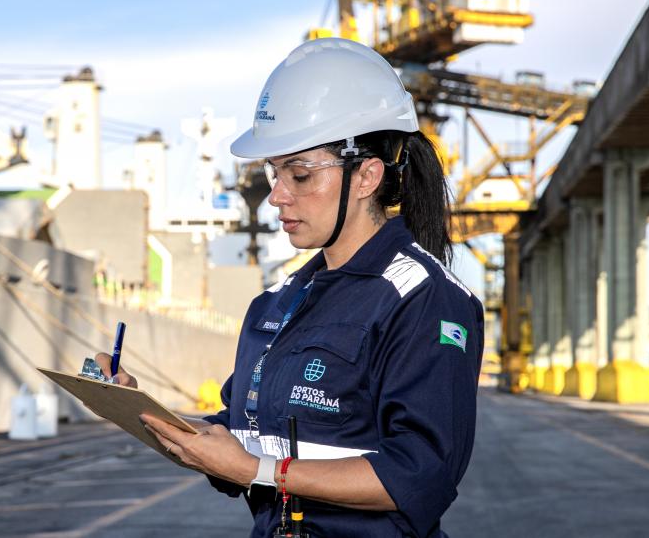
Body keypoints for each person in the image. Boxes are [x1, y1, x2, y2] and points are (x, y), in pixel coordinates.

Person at [98, 37, 484, 538]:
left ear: (366, 176)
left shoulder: (424, 298)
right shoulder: (277, 304)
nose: (277, 195)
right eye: (274, 172)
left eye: (299, 175)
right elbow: (243, 439)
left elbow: (421, 474)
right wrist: (141, 411)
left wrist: (258, 472)